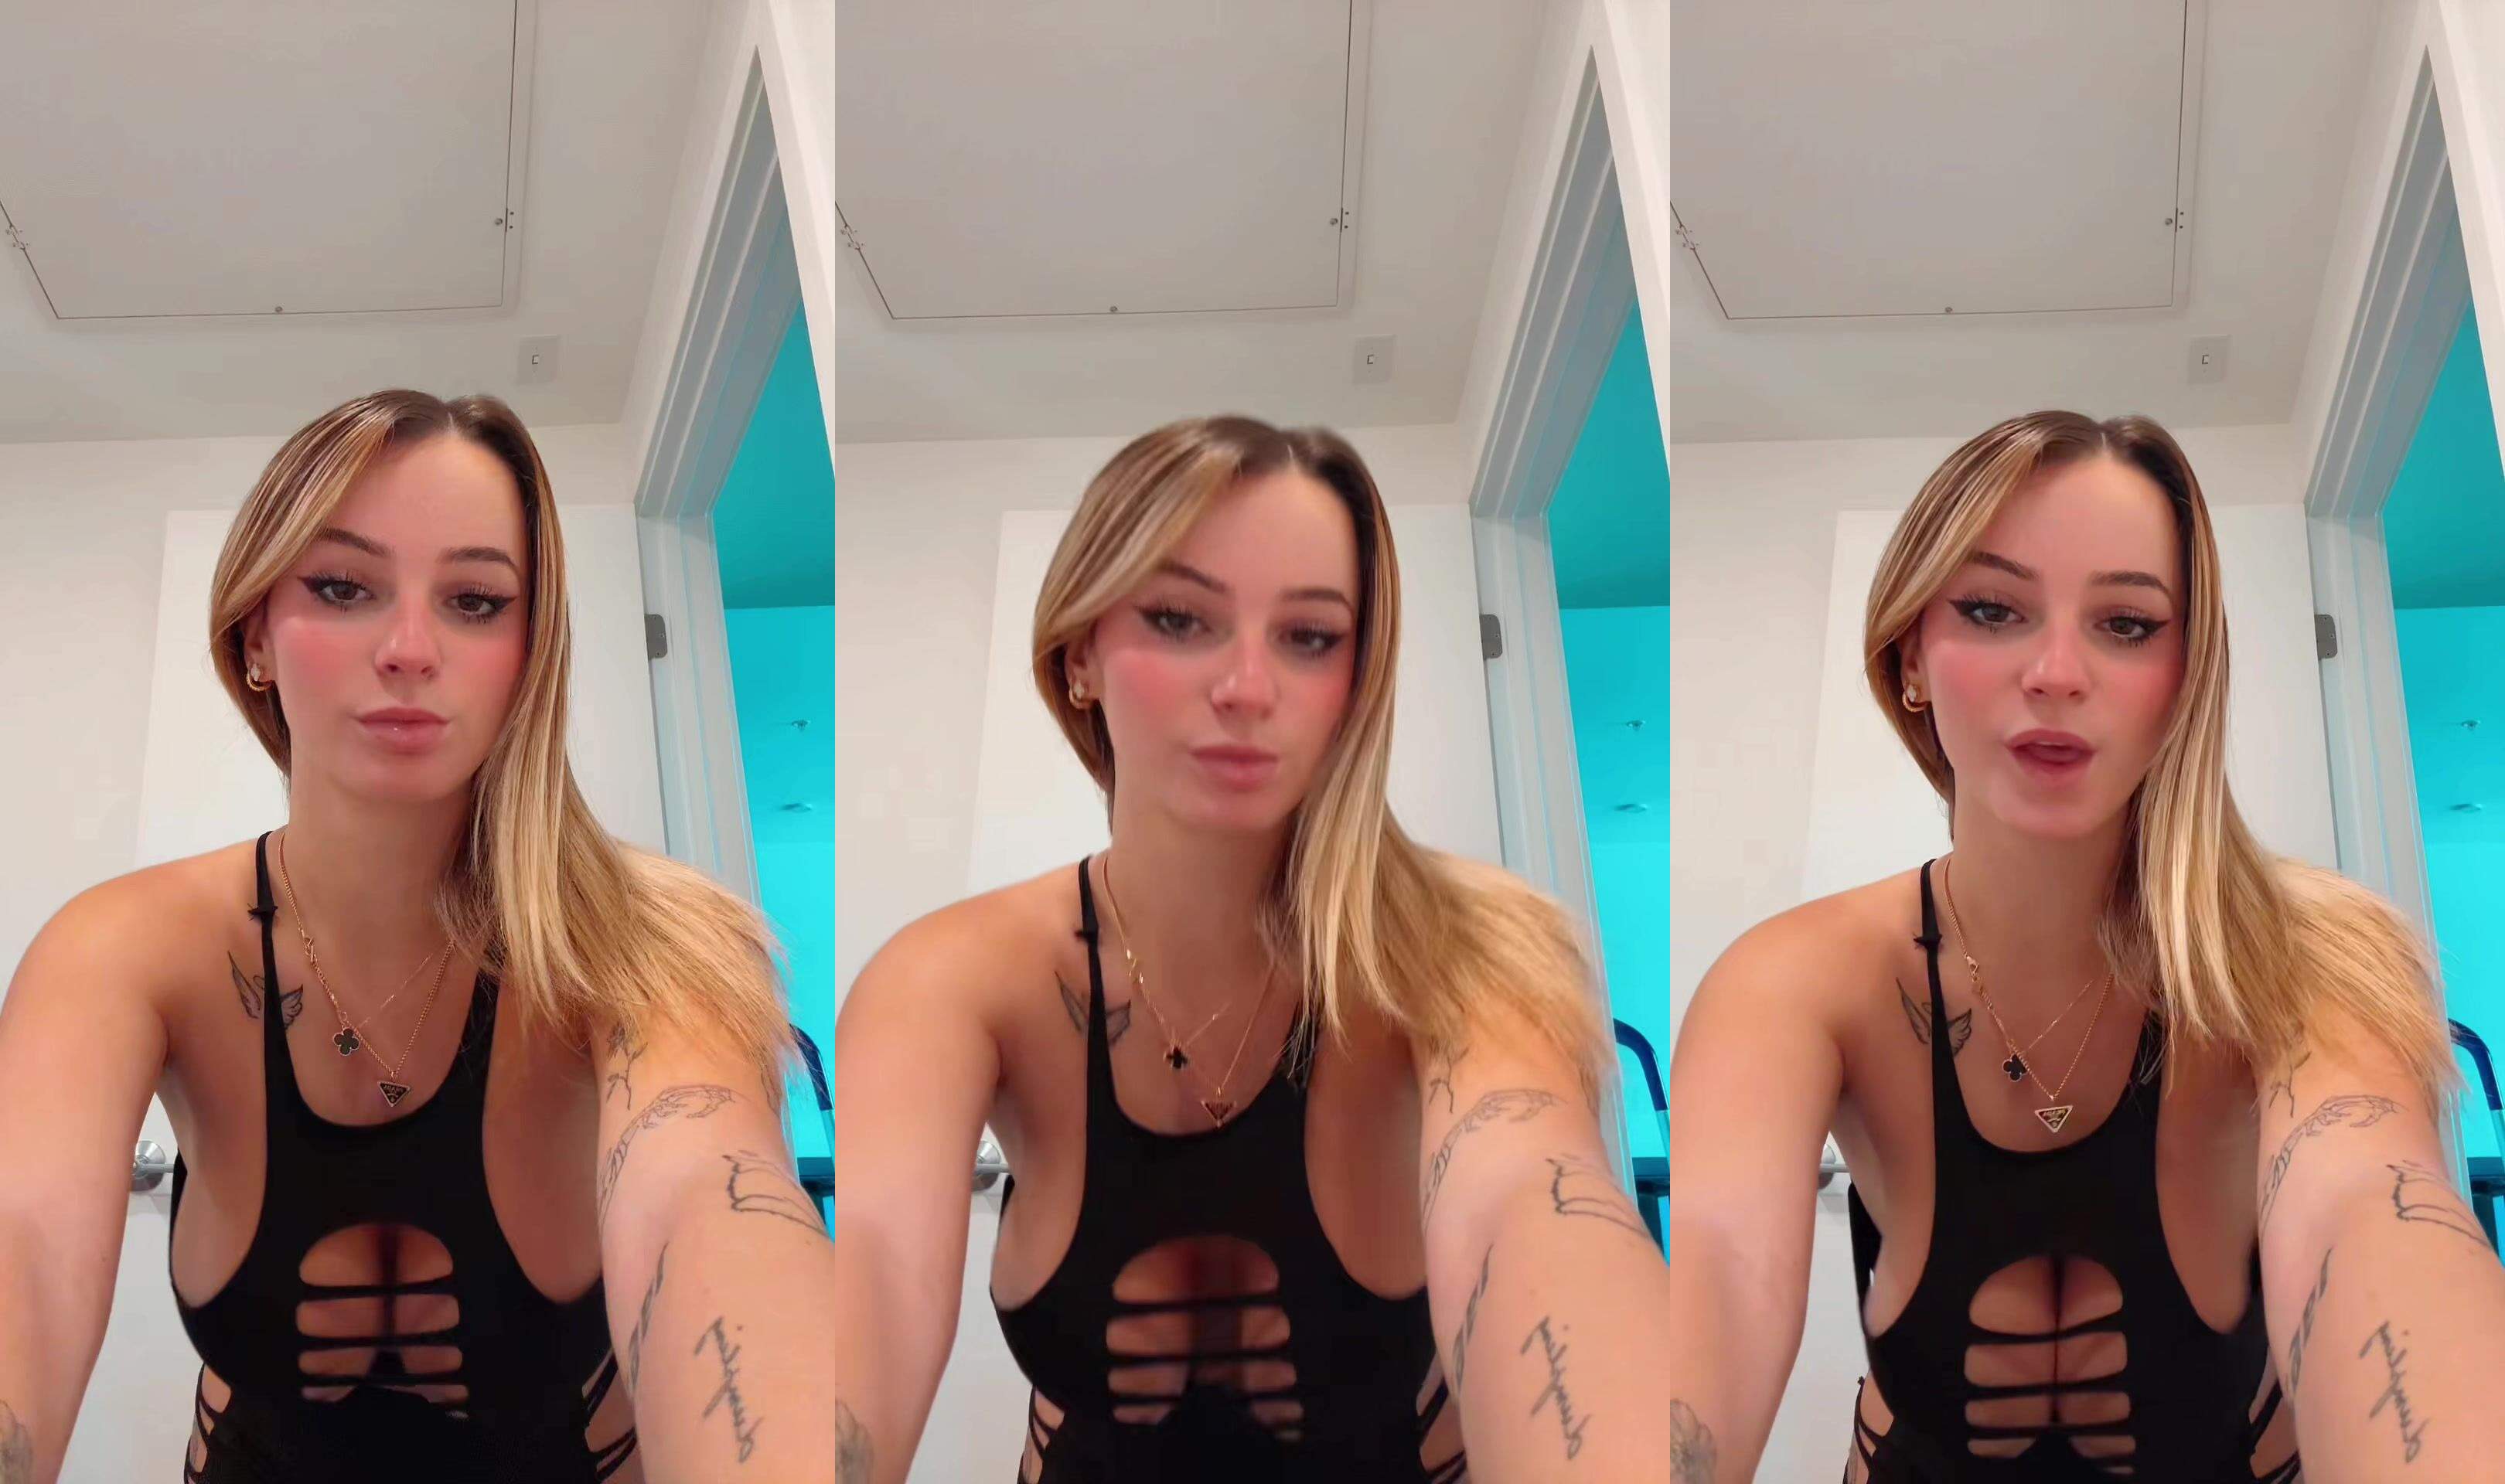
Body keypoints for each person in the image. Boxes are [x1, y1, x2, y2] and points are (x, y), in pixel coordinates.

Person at [0, 391, 838, 1484]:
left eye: (476, 601)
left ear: (530, 652)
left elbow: (713, 1195)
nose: (409, 649)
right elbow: (22, 1236)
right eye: (343, 588)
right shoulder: (126, 950)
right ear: (255, 636)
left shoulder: (651, 944)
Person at [1659, 410, 2505, 1482]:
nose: (2058, 672)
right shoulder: (1795, 982)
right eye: (1992, 609)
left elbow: (2370, 1205)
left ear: (2186, 676)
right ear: (1911, 655)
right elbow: (1718, 1265)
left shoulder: (2311, 963)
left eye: (2127, 624)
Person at [829, 415, 1673, 1483]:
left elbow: (1536, 1196)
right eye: (1181, 619)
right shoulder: (954, 982)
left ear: (1356, 680)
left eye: (1309, 637)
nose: (1247, 687)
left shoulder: (1469, 957)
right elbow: (869, 1277)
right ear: (1079, 654)